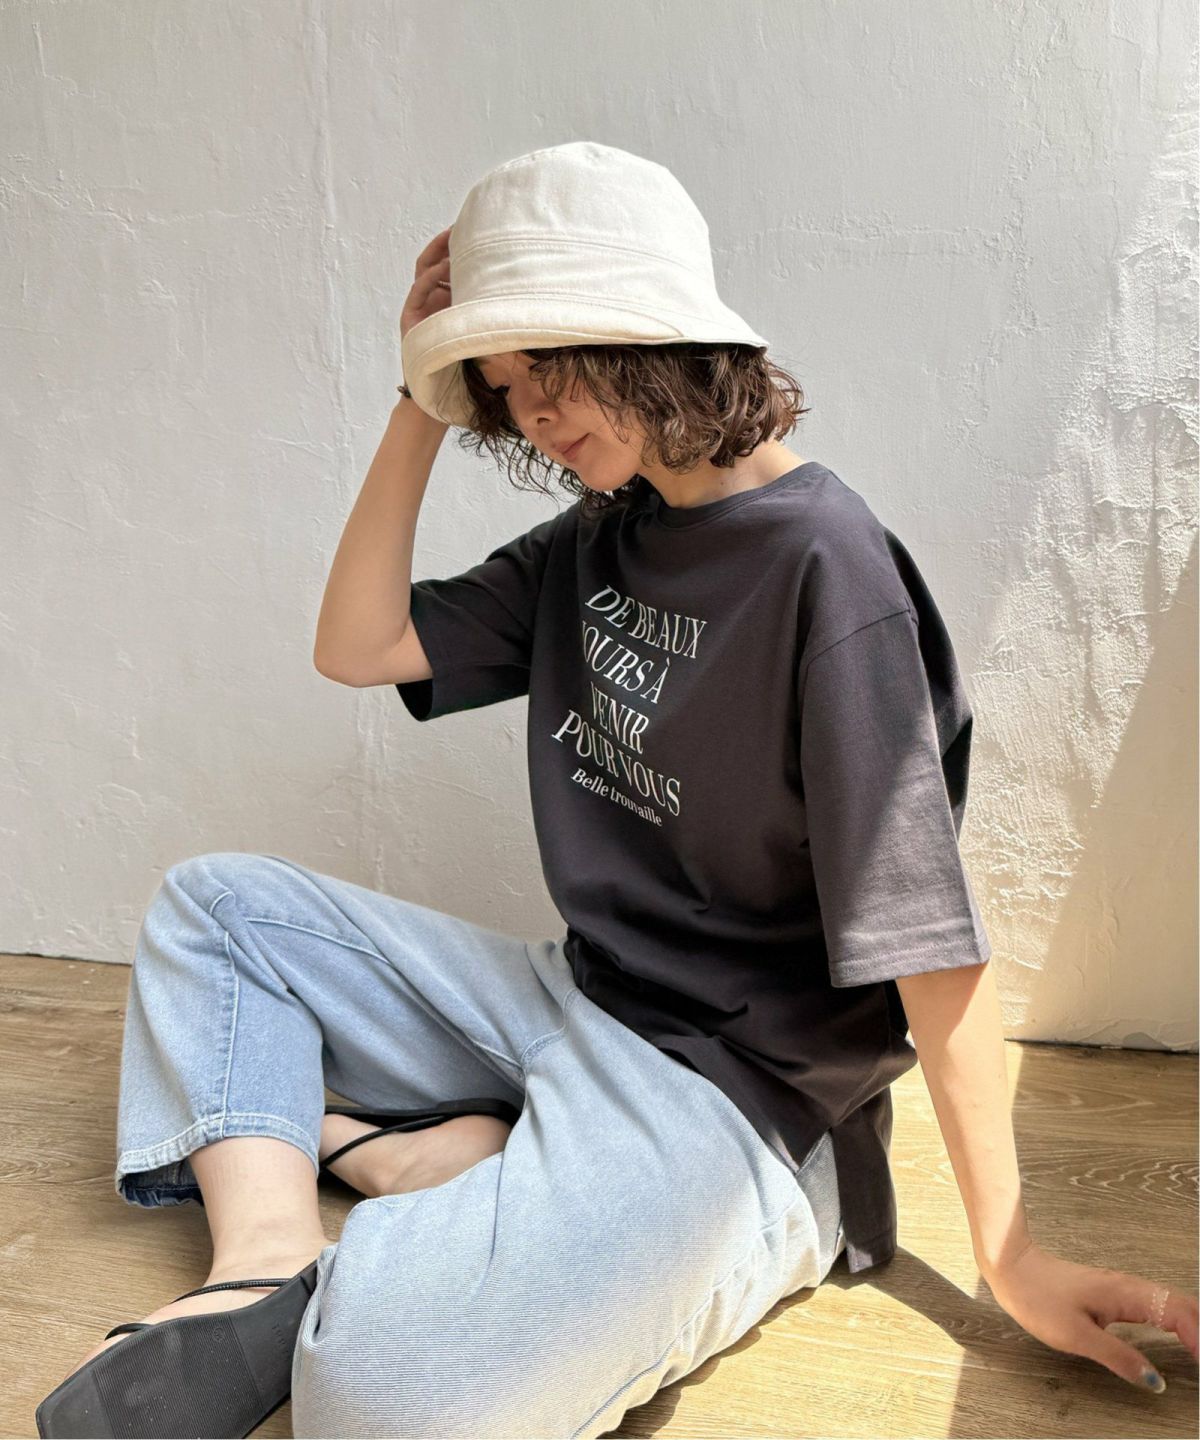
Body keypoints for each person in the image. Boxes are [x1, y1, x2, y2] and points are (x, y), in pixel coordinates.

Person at [39, 142, 1197, 1440]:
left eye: (547, 367)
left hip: (739, 1092)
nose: (527, 414)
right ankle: (267, 1256)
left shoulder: (828, 572)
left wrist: (1011, 1252)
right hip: (578, 994)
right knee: (215, 910)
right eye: (500, 388)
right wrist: (418, 398)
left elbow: (932, 954)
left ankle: (438, 1173)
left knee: (377, 1401)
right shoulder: (603, 533)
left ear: (643, 332)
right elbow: (358, 646)